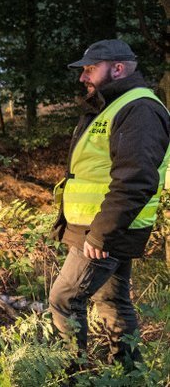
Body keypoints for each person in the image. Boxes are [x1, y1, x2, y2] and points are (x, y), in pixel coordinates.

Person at [49, 38, 170, 369]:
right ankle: (127, 373)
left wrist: (102, 234)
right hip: (98, 226)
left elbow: (136, 179)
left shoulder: (139, 109)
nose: (83, 78)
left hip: (104, 230)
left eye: (90, 69)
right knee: (112, 300)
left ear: (117, 69)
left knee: (64, 298)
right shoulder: (113, 105)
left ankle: (69, 375)